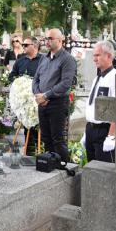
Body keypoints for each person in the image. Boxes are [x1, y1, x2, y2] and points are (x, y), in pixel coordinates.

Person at [32, 28, 76, 162]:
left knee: (58, 140)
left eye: (50, 39)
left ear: (60, 40)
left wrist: (45, 96)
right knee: (46, 138)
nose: (47, 41)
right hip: (42, 103)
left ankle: (64, 168)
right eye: (46, 39)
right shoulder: (44, 58)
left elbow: (65, 84)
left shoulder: (67, 59)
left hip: (57, 104)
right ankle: (50, 165)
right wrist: (38, 95)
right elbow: (36, 79)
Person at [84, 41, 116, 163]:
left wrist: (111, 136)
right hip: (91, 129)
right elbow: (92, 104)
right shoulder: (98, 78)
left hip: (104, 131)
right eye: (94, 55)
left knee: (103, 170)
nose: (94, 59)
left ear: (109, 56)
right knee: (91, 168)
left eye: (97, 55)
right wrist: (86, 131)